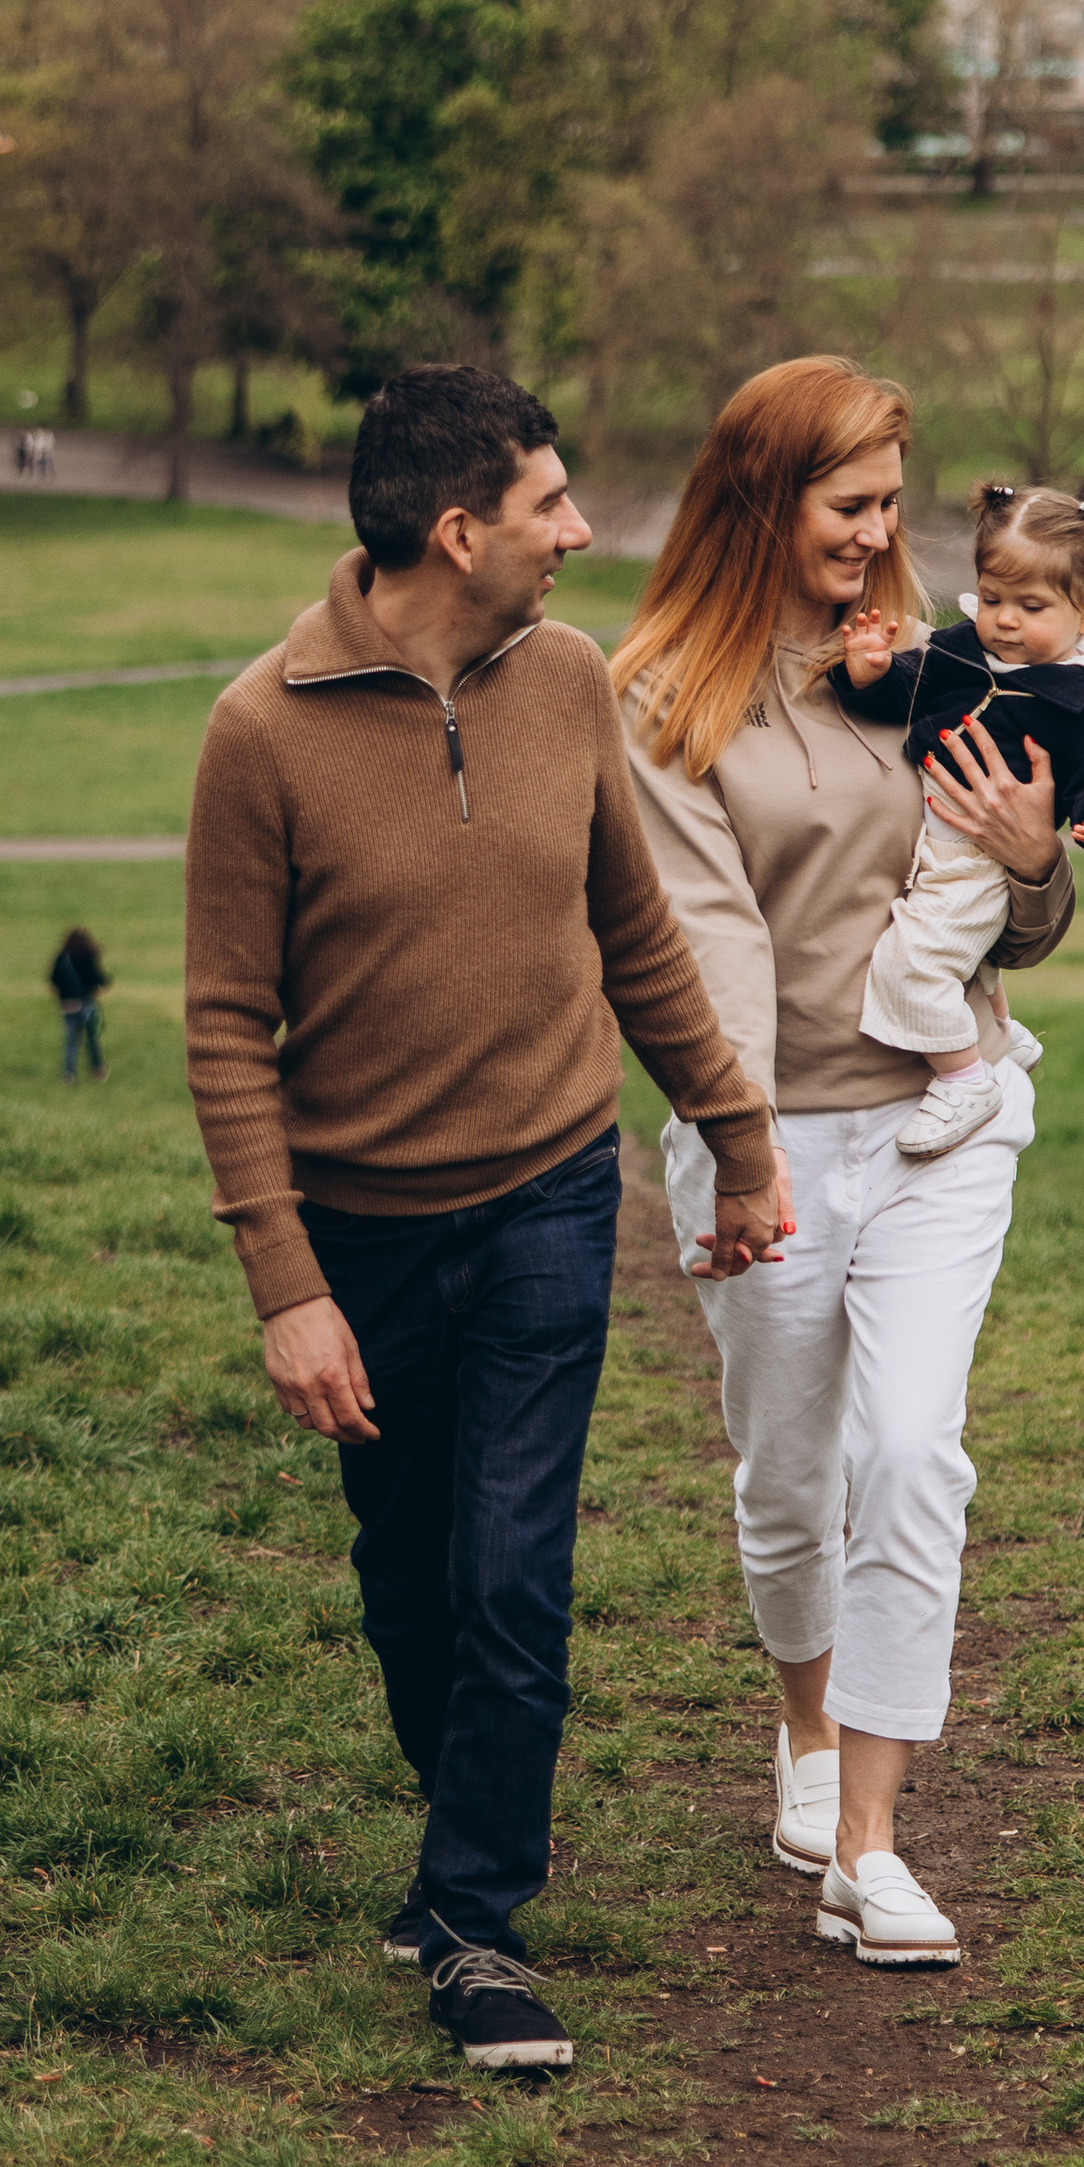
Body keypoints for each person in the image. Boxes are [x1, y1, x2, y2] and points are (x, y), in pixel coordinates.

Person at [184, 363, 778, 2077]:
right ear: (461, 530)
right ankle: (459, 1837)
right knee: (415, 1579)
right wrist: (286, 1285)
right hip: (363, 1233)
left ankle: (474, 1924)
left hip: (545, 1194)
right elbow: (229, 1023)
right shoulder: (262, 732)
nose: (582, 532)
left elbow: (638, 933)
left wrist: (733, 1132)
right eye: (552, 503)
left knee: (517, 1575)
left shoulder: (571, 681)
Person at [613, 359, 1084, 1977]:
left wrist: (1042, 865)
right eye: (852, 504)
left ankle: (875, 1848)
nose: (881, 532)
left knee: (911, 1452)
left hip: (941, 1116)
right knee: (788, 1473)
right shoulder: (666, 695)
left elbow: (1002, 893)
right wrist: (746, 1151)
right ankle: (806, 1721)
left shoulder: (939, 667)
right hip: (765, 1138)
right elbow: (697, 948)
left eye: (895, 501)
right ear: (766, 497)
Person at [834, 480, 1084, 1162]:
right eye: (991, 599)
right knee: (962, 954)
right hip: (936, 843)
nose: (1005, 620)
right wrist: (867, 673)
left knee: (910, 964)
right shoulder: (961, 651)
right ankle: (999, 1030)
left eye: (1031, 605)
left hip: (985, 858)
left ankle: (965, 1078)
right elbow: (905, 689)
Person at [49, 926, 110, 1078]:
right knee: (92, 1039)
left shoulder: (62, 957)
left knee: (71, 1041)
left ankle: (69, 1074)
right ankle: (97, 1070)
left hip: (68, 1005)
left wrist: (63, 995)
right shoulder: (87, 955)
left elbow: (53, 979)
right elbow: (95, 977)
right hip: (86, 1004)